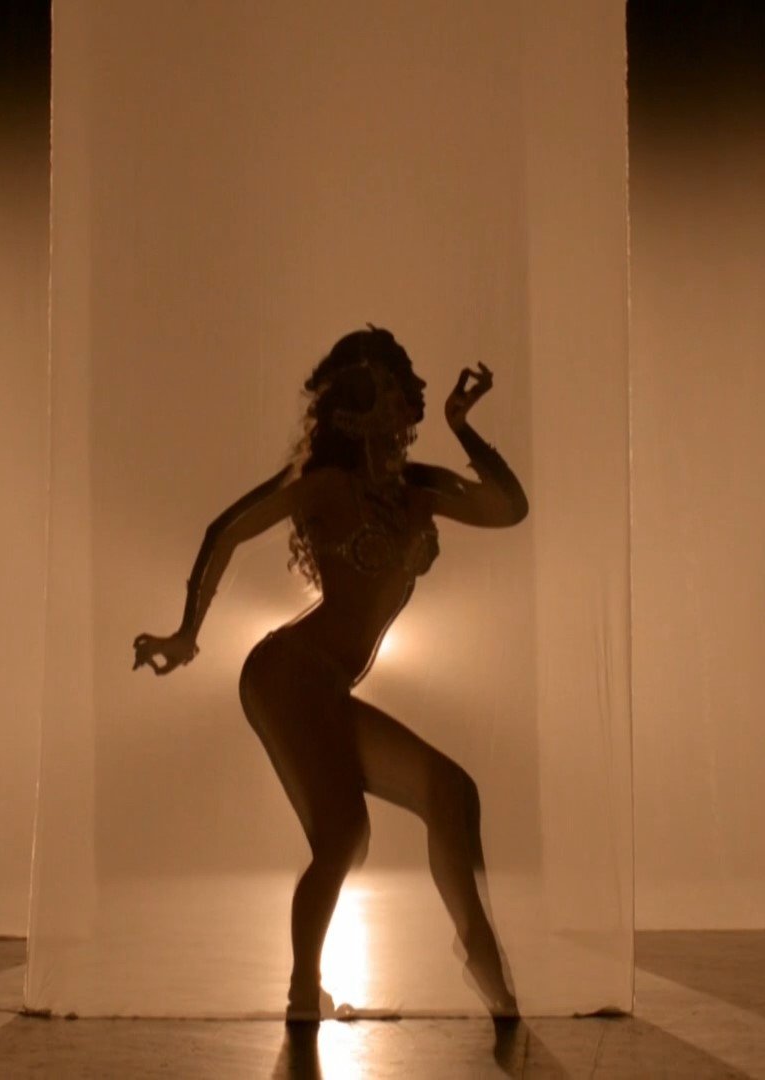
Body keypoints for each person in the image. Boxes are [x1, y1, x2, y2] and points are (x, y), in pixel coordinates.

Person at [131, 326, 528, 1022]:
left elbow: (509, 509)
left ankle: (482, 962)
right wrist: (187, 633)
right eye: (395, 381)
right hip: (284, 675)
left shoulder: (416, 489)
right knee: (344, 835)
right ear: (359, 399)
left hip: (327, 687)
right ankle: (300, 995)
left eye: (408, 383)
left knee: (450, 791)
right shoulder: (322, 483)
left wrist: (463, 428)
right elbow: (225, 532)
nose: (410, 393)